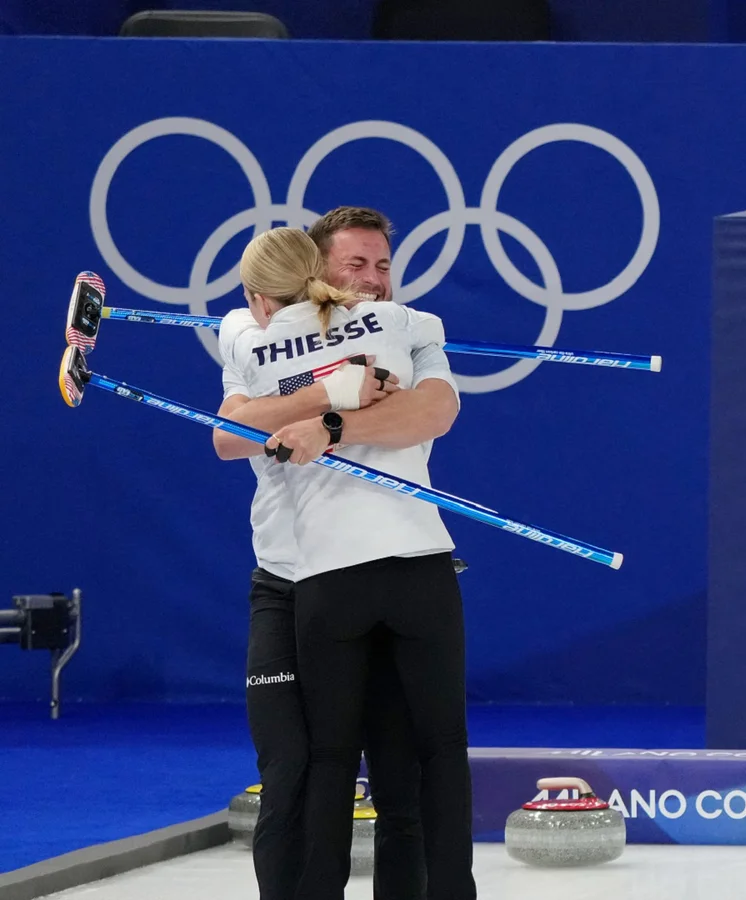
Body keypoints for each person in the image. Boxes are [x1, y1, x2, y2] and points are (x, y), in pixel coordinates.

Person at [226, 226, 475, 900]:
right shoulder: (252, 329)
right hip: (295, 581)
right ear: (317, 269)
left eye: (383, 264)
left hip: (355, 574)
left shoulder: (397, 324)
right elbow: (230, 432)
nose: (371, 278)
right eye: (355, 265)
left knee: (393, 774)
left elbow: (435, 409)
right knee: (304, 768)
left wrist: (331, 425)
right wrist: (331, 392)